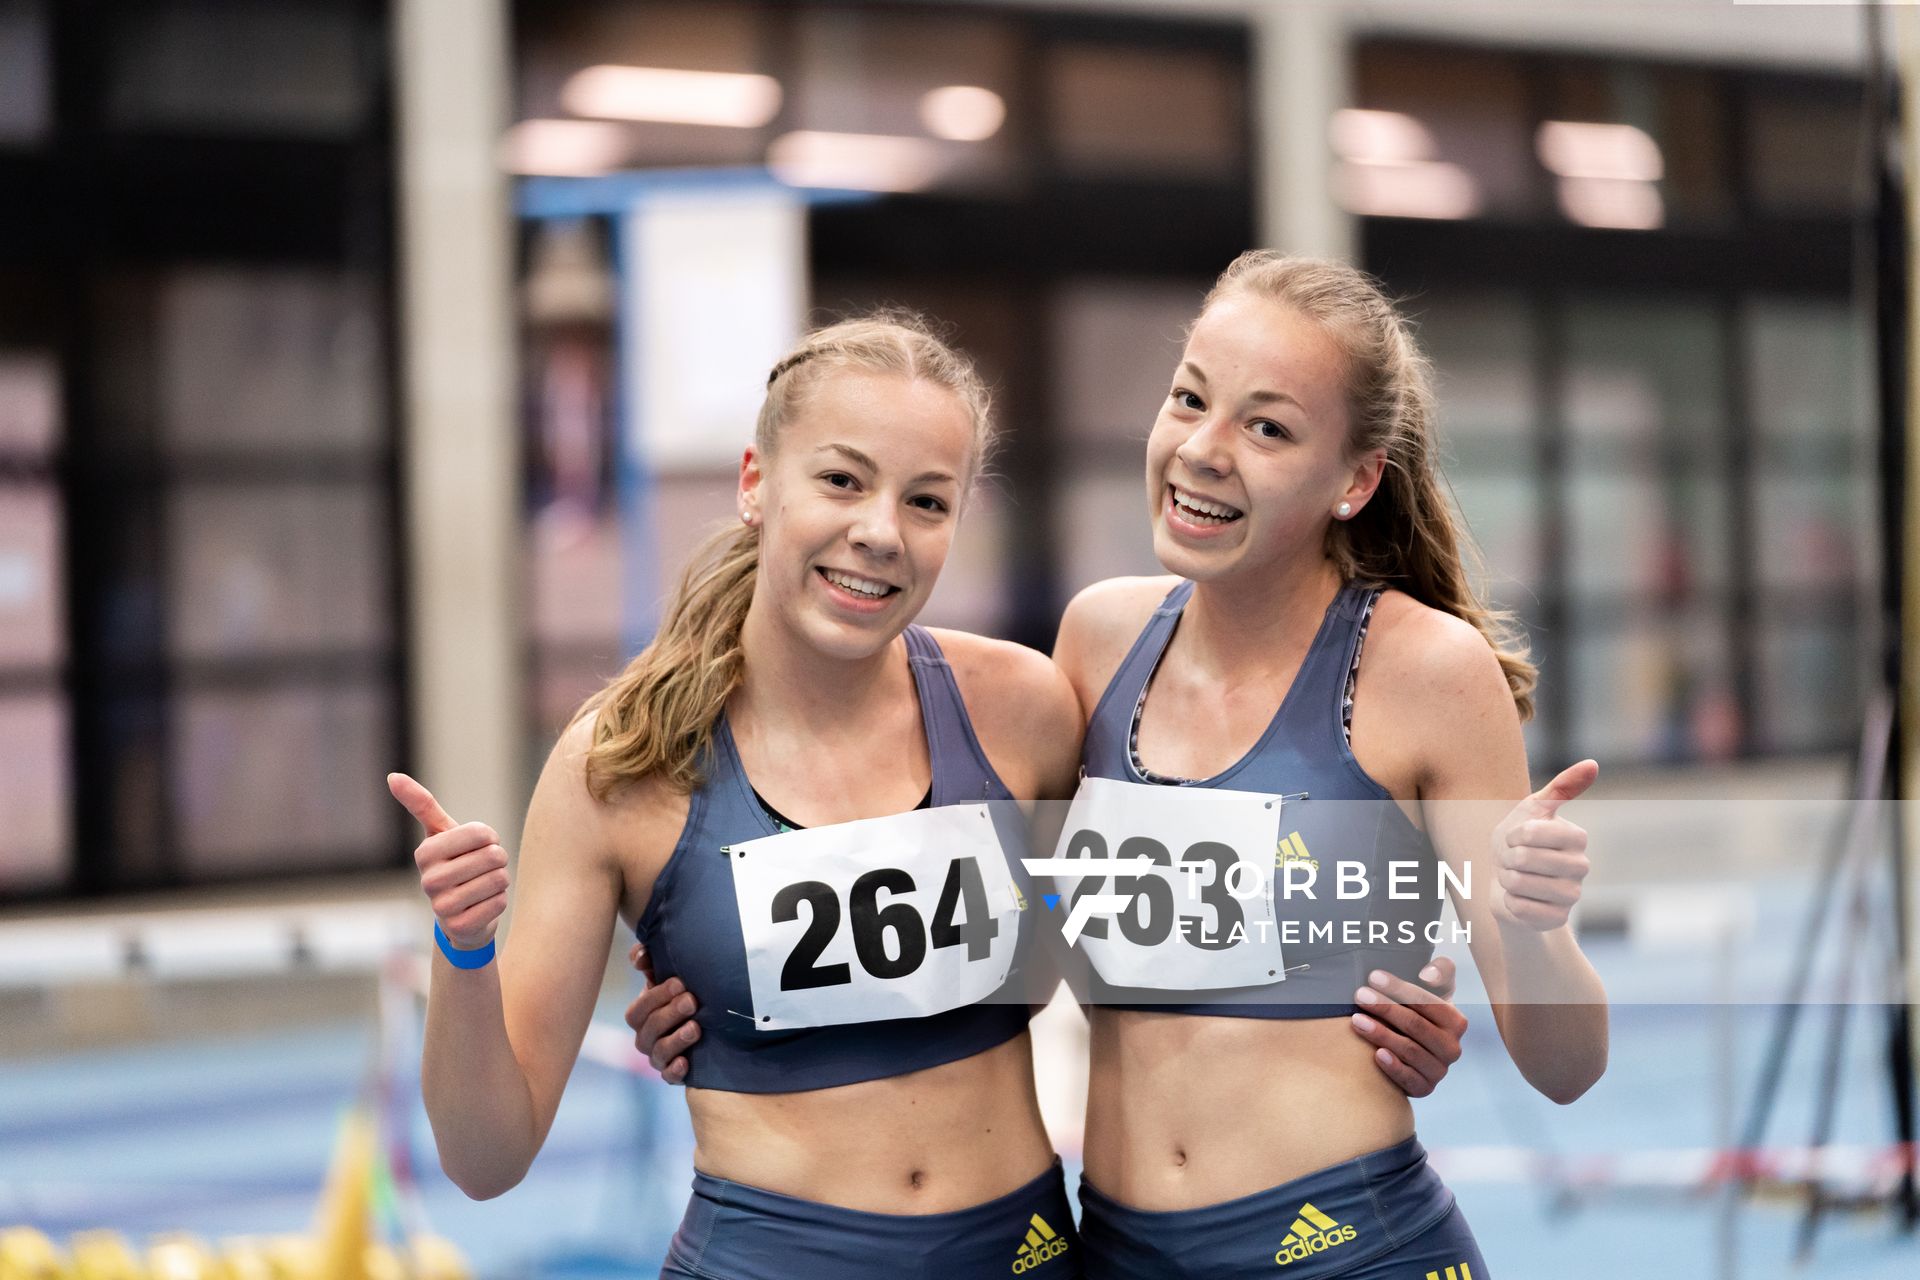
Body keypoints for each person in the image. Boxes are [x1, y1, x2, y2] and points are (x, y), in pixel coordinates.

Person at [388, 315, 1097, 1279]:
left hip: (1022, 1254)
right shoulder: (623, 766)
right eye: (841, 480)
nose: (880, 533)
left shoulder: (1024, 711)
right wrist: (464, 951)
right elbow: (486, 1159)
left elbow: (1107, 966)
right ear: (757, 481)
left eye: (927, 502)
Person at [1048, 251, 1608, 1278]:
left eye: (1267, 426)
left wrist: (1529, 931)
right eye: (1190, 399)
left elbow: (1567, 1066)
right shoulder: (1095, 642)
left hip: (1347, 1251)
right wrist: (718, 990)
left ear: (1354, 480)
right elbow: (1002, 921)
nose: (1203, 450)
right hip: (1119, 1249)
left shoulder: (1426, 671)